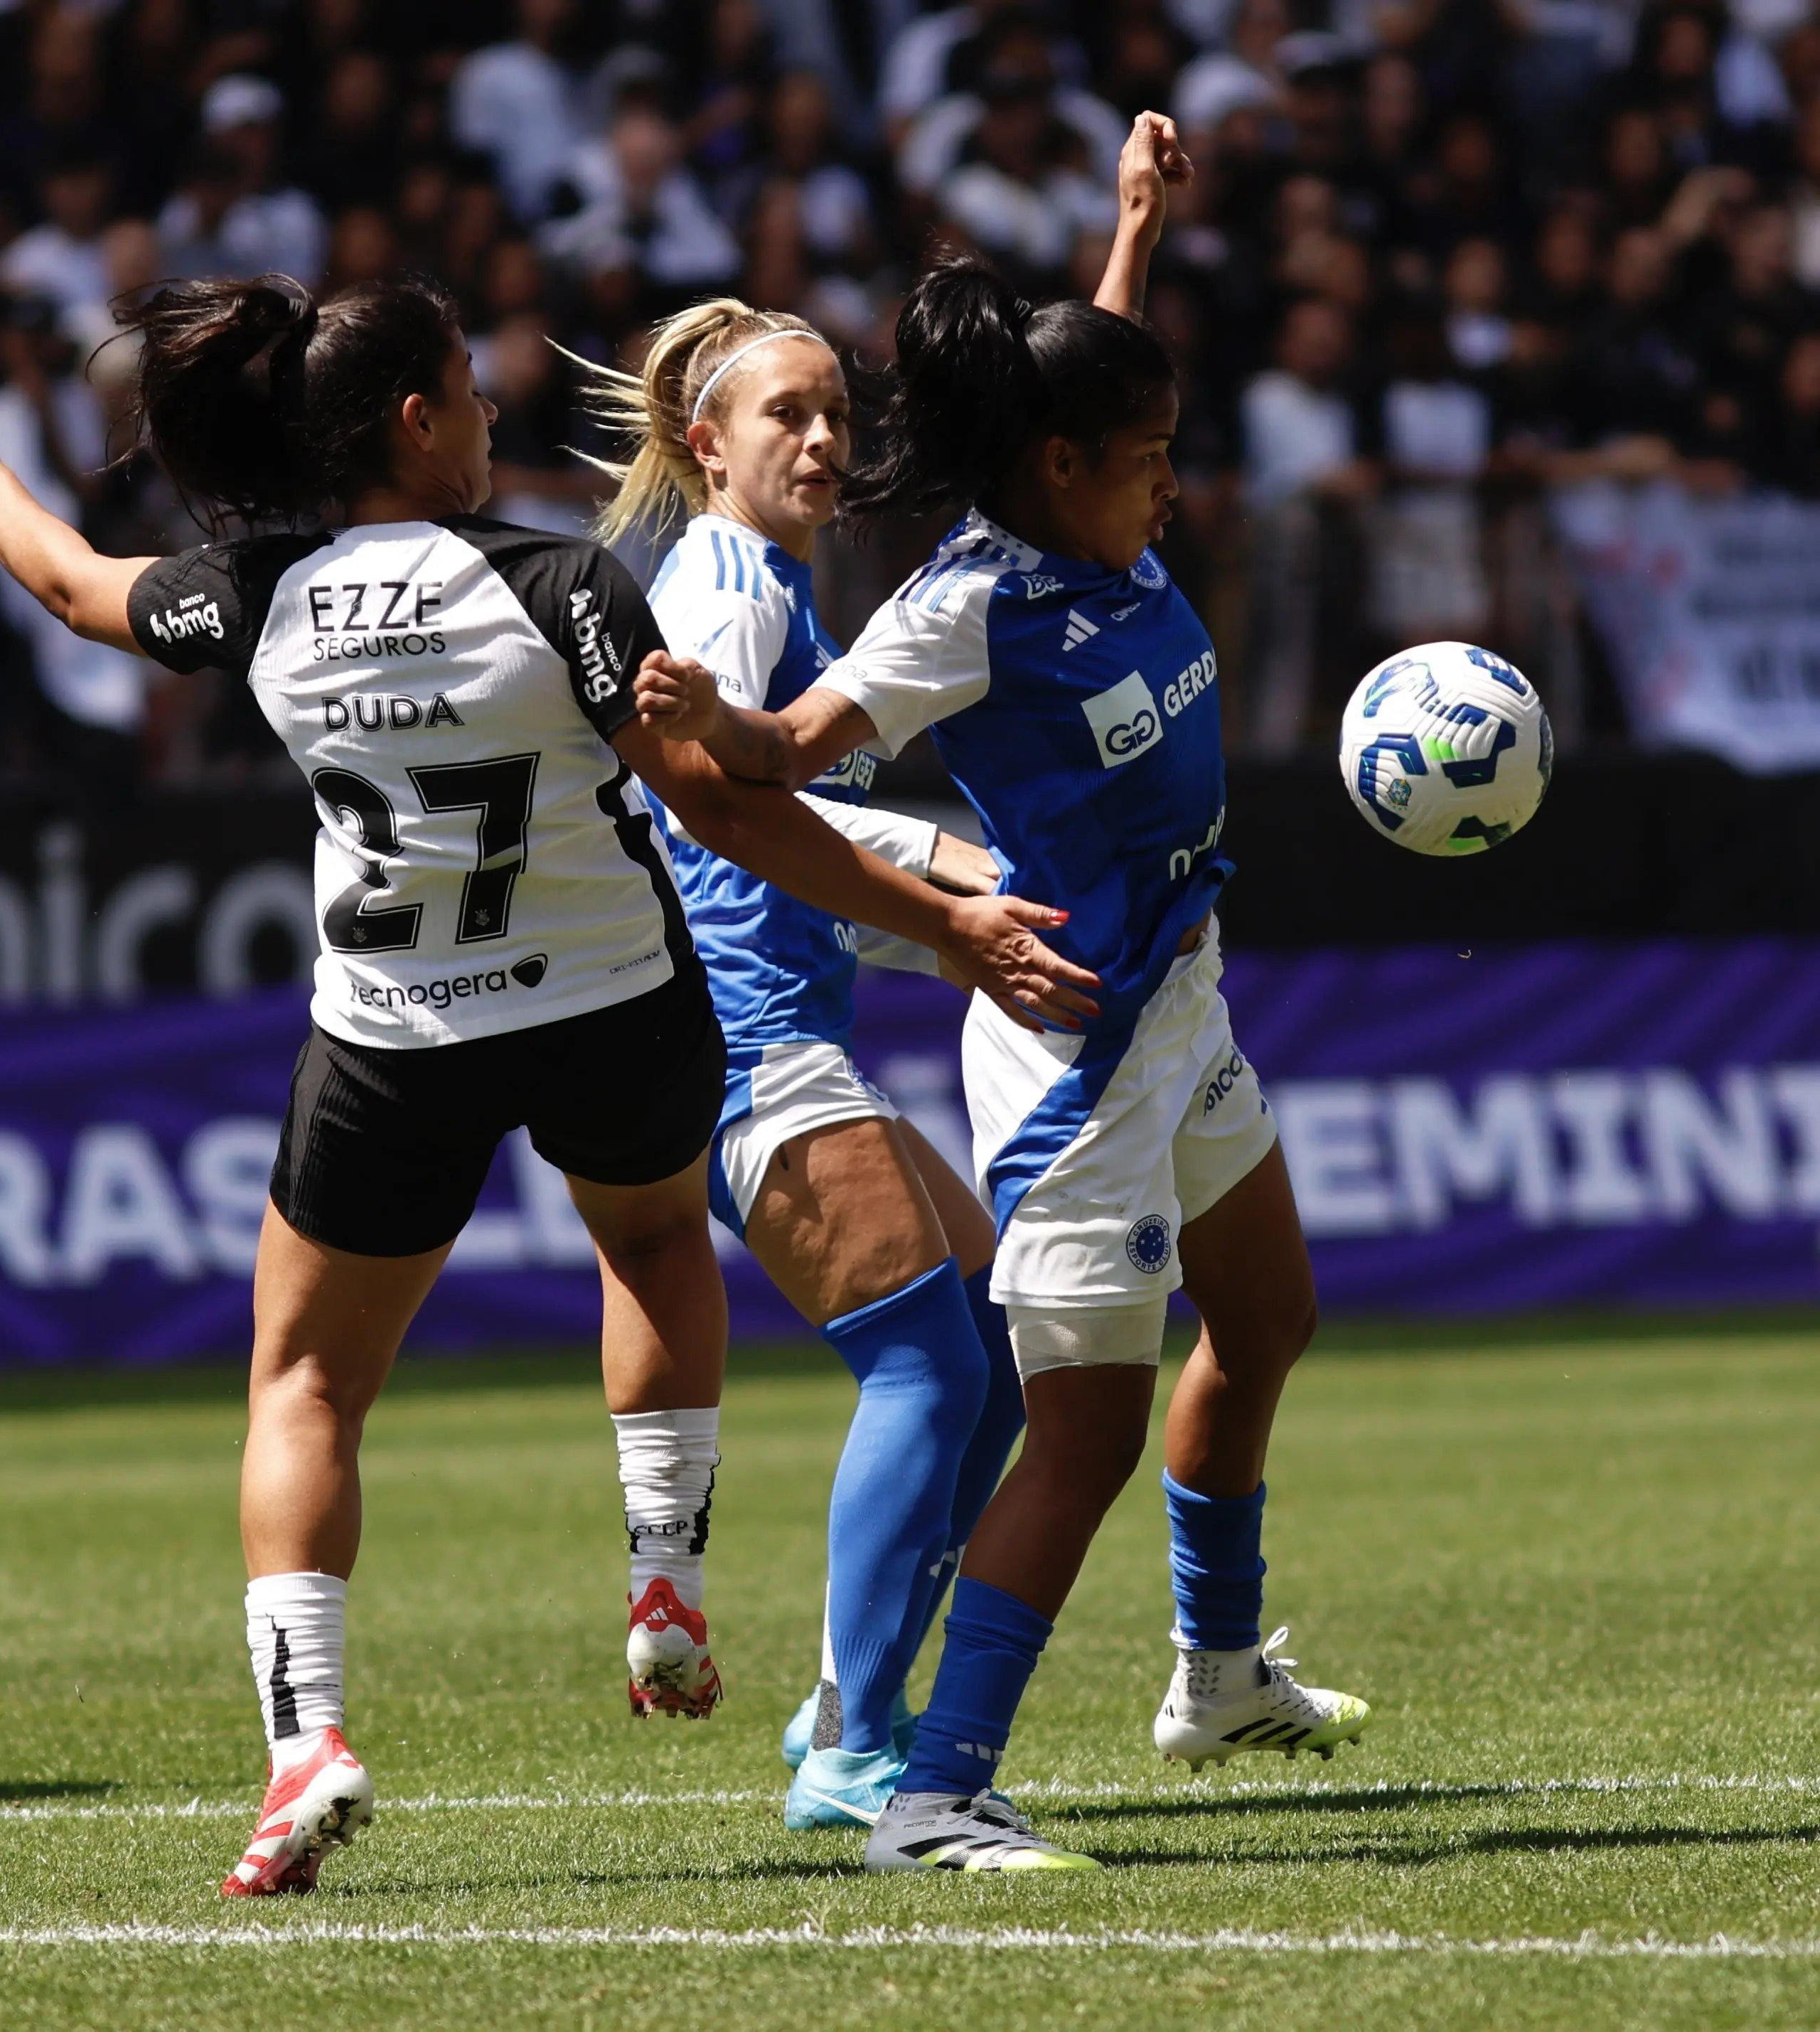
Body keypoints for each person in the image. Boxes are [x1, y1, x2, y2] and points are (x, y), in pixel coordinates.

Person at [0, 270, 1097, 1896]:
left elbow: (77, 592)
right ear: (418, 420)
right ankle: (662, 1579)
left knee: (304, 1384)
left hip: (391, 1038)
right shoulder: (564, 583)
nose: (496, 418)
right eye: (473, 396)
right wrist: (944, 920)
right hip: (606, 1004)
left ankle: (306, 1746)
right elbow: (722, 813)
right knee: (644, 1246)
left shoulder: (258, 588)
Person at [636, 114, 1371, 1873]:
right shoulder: (960, 607)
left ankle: (1213, 1671)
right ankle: (927, 1789)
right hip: (1078, 1052)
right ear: (1059, 467)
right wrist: (687, 727)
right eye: (1146, 460)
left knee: (1264, 1317)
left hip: (1181, 999)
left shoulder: (1081, 514)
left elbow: (1076, 393)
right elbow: (786, 750)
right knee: (1073, 1424)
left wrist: (1129, 236)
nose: (1169, 485)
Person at [574, 298, 1034, 1832]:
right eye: (786, 414)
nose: (823, 439)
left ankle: (850, 1695)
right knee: (928, 1360)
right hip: (738, 1037)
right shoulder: (717, 581)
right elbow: (716, 807)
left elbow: (786, 825)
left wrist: (938, 886)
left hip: (777, 1028)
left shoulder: (757, 579)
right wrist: (948, 902)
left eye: (836, 412)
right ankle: (851, 1745)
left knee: (988, 1344)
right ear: (705, 444)